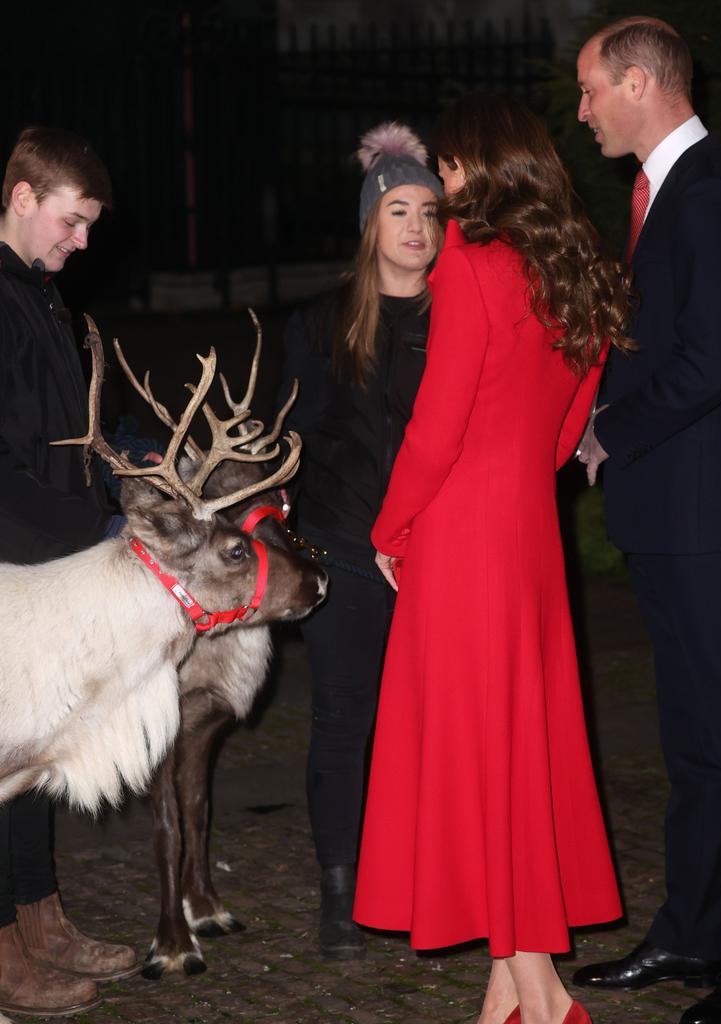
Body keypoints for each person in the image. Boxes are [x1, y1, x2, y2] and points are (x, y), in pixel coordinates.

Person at [352, 92, 633, 1024]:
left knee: (478, 754)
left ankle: (543, 1001)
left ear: (485, 167)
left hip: (462, 534)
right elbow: (564, 429)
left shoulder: (472, 269)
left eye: (451, 164)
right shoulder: (577, 266)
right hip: (528, 534)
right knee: (519, 750)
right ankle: (510, 999)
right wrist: (516, 474)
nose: (440, 179)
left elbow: (435, 429)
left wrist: (391, 527)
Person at [572, 17, 721, 1024]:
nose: (583, 109)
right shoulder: (657, 195)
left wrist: (608, 431)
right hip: (669, 515)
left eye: (591, 90)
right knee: (692, 744)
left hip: (709, 514)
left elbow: (708, 363)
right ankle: (692, 935)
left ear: (641, 82)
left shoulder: (716, 195)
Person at [279, 122, 443, 958]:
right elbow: (288, 443)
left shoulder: (462, 316)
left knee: (432, 727)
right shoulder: (321, 324)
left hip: (438, 559)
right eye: (399, 210)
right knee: (345, 722)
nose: (417, 227)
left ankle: (421, 881)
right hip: (342, 550)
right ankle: (340, 894)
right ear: (370, 224)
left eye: (430, 211)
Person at [0, 127, 137, 1018]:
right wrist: (90, 522)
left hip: (49, 560)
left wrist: (126, 467)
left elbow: (66, 433)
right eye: (71, 220)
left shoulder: (39, 295)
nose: (80, 241)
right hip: (15, 564)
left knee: (37, 751)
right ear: (21, 197)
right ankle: (5, 952)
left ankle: (37, 913)